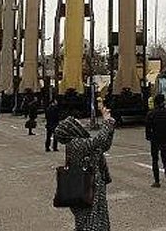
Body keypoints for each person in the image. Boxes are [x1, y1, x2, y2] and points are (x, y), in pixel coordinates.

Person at [55, 99, 116, 231]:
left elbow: (104, 145)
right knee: (91, 223)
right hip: (87, 189)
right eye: (77, 123)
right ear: (72, 129)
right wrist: (107, 121)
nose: (81, 124)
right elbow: (99, 141)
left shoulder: (80, 142)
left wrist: (110, 128)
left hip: (93, 188)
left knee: (97, 221)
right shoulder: (76, 144)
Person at [144, 94, 166, 188]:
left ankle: (157, 181)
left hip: (155, 139)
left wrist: (148, 137)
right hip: (165, 138)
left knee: (155, 160)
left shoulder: (151, 114)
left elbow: (148, 128)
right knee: (165, 159)